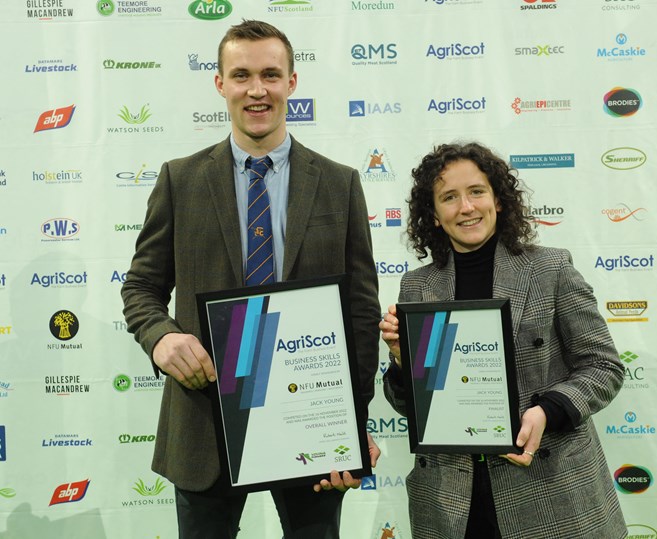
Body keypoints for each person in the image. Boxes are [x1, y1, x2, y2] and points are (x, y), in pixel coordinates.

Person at [121, 19, 381, 539]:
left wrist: (350, 420)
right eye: (241, 75)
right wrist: (162, 337)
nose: (256, 90)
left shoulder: (339, 183)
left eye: (270, 74)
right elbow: (140, 288)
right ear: (219, 83)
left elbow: (360, 311)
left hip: (311, 421)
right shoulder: (180, 179)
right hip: (204, 422)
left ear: (292, 82)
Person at [379, 142, 627, 539]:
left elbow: (604, 367)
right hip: (453, 503)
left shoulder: (551, 268)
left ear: (497, 198)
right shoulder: (416, 286)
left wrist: (548, 410)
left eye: (476, 191)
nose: (466, 207)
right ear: (435, 216)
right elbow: (411, 407)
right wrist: (400, 361)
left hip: (549, 491)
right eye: (449, 197)